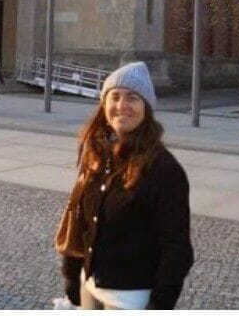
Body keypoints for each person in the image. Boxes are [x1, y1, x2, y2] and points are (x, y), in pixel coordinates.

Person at [58, 61, 194, 309]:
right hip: (89, 287)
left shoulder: (163, 169)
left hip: (130, 298)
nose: (122, 105)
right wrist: (72, 276)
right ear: (104, 105)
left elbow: (176, 248)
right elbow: (82, 221)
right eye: (115, 97)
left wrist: (159, 306)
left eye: (133, 98)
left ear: (147, 108)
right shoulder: (99, 156)